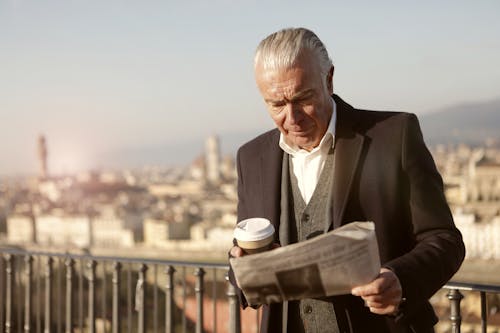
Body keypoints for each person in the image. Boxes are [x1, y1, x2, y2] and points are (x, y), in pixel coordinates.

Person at [228, 27, 465, 333]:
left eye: (303, 98)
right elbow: (241, 257)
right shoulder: (251, 158)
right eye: (276, 104)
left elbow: (445, 240)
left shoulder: (395, 136)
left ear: (329, 79)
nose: (292, 117)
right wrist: (241, 266)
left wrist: (400, 280)